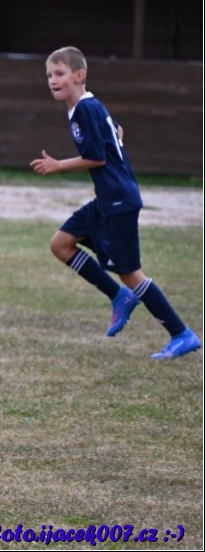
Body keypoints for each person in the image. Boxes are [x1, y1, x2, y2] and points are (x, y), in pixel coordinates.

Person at [30, 46, 200, 359]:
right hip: (108, 199)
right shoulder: (87, 107)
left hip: (119, 199)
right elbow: (117, 131)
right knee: (61, 244)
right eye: (49, 75)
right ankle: (119, 297)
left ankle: (181, 334)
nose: (53, 80)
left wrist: (57, 165)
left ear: (79, 75)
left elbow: (96, 156)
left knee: (131, 273)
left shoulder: (84, 108)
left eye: (60, 73)